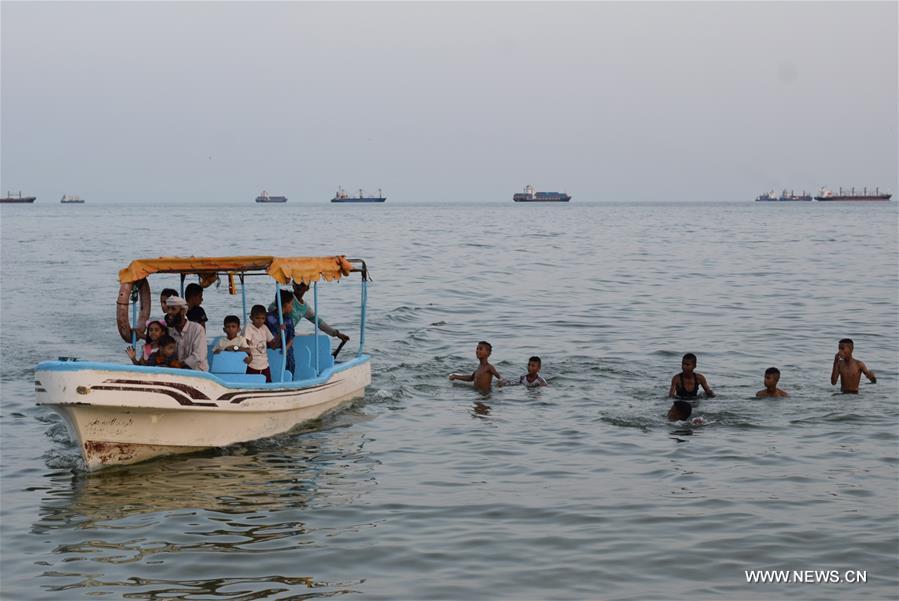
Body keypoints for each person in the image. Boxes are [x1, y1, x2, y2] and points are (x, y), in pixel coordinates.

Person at [268, 282, 351, 346]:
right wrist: (282, 312)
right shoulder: (287, 296)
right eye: (297, 284)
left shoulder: (305, 307)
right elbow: (271, 308)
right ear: (293, 285)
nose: (299, 286)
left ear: (307, 288)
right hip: (275, 333)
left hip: (287, 335)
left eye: (303, 284)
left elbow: (318, 322)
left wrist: (336, 333)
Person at [164, 296, 208, 371]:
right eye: (168, 309)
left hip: (197, 373)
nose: (169, 312)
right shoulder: (170, 332)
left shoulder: (197, 329)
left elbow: (198, 356)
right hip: (177, 373)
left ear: (183, 311)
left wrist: (179, 364)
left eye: (173, 309)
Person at [266, 289, 297, 376]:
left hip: (286, 352)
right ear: (286, 304)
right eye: (291, 304)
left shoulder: (288, 319)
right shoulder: (268, 318)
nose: (292, 307)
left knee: (288, 371)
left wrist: (285, 348)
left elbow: (291, 337)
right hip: (272, 350)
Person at [245, 304, 277, 382]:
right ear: (251, 318)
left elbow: (273, 345)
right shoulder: (249, 328)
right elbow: (245, 343)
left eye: (263, 318)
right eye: (257, 318)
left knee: (268, 385)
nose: (260, 321)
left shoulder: (264, 328)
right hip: (252, 364)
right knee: (252, 385)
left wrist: (280, 332)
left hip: (265, 364)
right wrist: (249, 355)